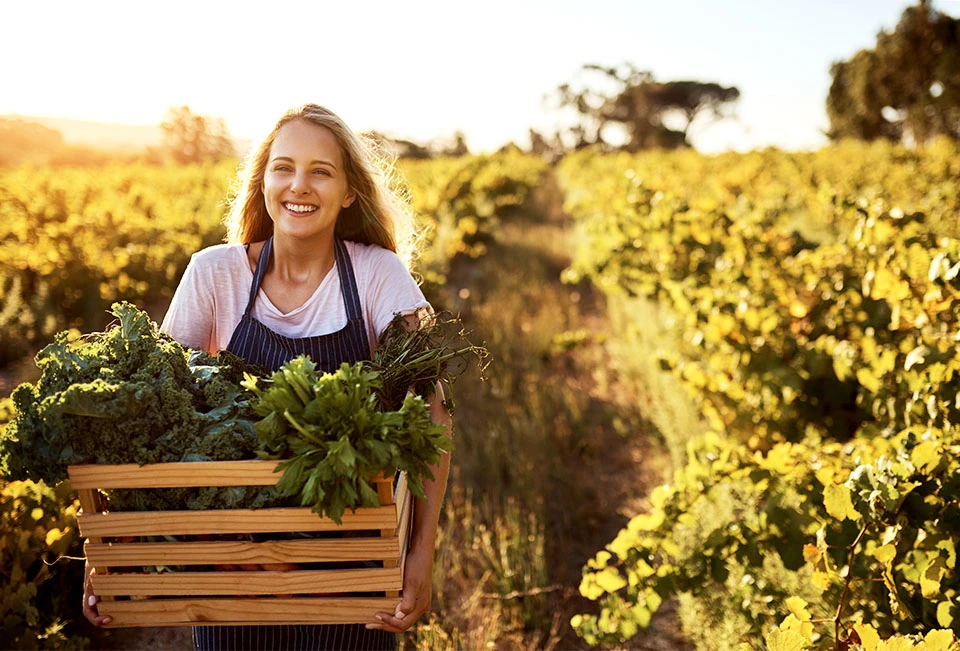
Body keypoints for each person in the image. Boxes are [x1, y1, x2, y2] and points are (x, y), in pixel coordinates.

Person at [82, 103, 453, 651]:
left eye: (321, 171)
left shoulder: (378, 274)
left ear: (349, 190)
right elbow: (155, 418)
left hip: (348, 568)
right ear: (263, 182)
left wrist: (421, 555)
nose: (299, 185)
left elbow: (432, 414)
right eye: (284, 167)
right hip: (231, 571)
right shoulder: (214, 274)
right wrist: (116, 551)